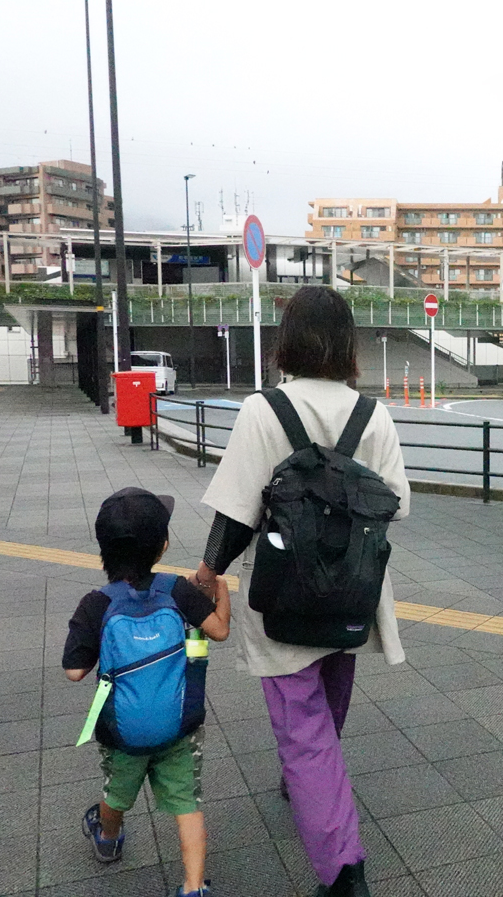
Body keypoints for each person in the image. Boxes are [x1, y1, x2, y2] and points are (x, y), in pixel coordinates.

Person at [191, 286, 409, 897]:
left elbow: (237, 513)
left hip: (283, 591)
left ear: (287, 340)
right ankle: (309, 783)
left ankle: (344, 873)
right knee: (331, 694)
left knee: (302, 726)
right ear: (348, 345)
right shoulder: (374, 415)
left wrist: (208, 572)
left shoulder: (264, 411)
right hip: (353, 591)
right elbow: (398, 505)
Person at [63, 487, 231, 897]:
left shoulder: (96, 604)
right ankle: (193, 887)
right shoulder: (178, 590)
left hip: (122, 733)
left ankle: (107, 840)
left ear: (104, 548)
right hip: (180, 725)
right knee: (186, 803)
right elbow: (219, 632)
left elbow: (74, 671)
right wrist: (220, 590)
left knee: (117, 794)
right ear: (163, 545)